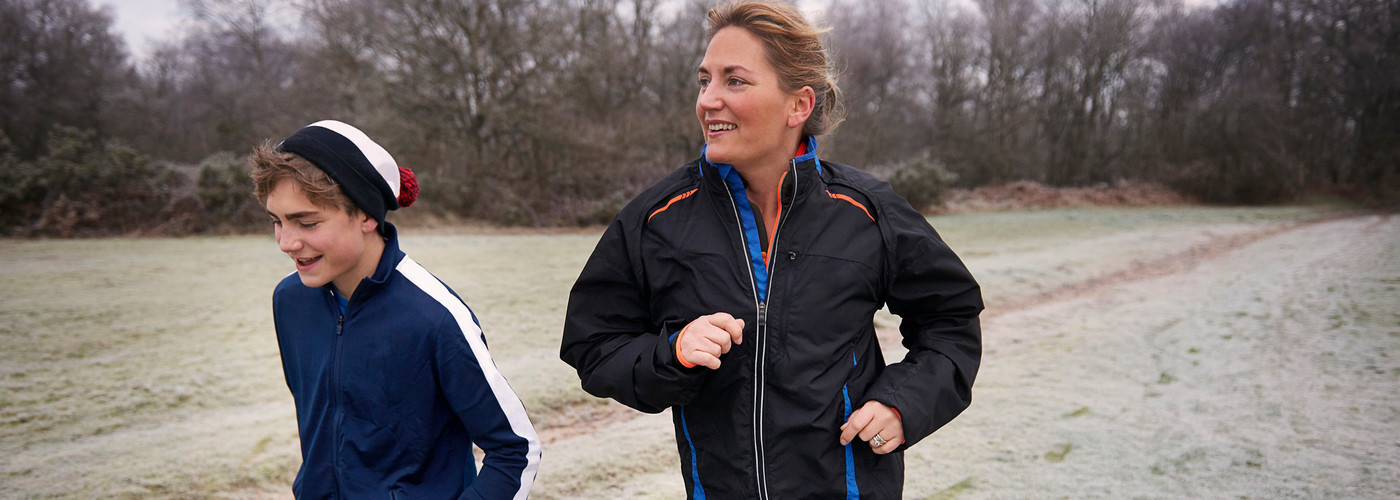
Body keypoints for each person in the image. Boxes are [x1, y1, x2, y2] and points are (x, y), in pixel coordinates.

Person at [559, 1, 983, 498]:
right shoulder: (656, 219)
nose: (708, 100)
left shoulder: (866, 211)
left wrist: (902, 404)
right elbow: (593, 344)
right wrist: (670, 352)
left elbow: (951, 321)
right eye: (704, 80)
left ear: (798, 105)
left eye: (734, 81)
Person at [252, 120, 540, 499]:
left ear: (367, 216)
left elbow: (515, 450)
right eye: (277, 221)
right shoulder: (290, 301)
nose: (286, 242)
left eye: (307, 222)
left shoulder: (435, 317)